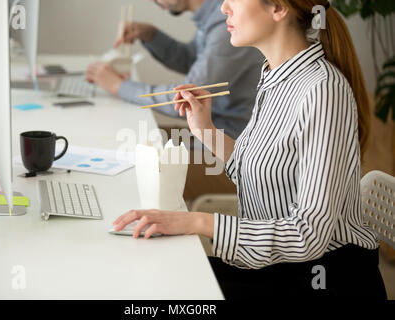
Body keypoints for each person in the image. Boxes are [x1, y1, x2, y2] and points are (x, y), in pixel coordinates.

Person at [112, 0, 387, 299]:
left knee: (158, 291)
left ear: (278, 9)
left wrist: (197, 221)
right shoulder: (274, 75)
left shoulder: (322, 90)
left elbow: (308, 235)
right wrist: (205, 129)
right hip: (271, 268)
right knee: (149, 274)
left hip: (323, 279)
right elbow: (255, 169)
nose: (223, 8)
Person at [87, 0, 263, 202]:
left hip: (229, 149)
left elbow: (188, 97)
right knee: (131, 143)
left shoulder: (224, 22)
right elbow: (194, 61)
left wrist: (119, 87)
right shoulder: (215, 16)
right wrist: (151, 35)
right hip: (214, 135)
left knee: (134, 172)